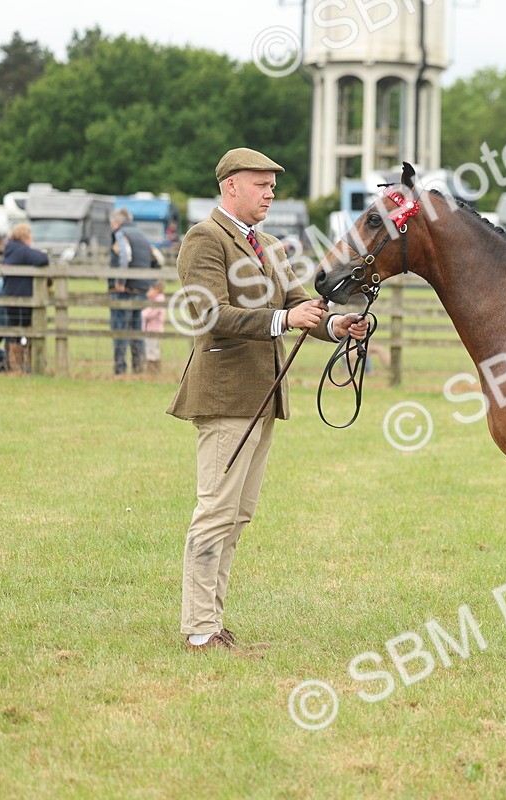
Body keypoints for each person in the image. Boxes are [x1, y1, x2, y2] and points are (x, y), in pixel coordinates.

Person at [168, 147, 369, 656]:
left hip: (263, 394)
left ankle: (211, 623)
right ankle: (198, 629)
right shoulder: (204, 240)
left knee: (238, 514)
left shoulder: (272, 246)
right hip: (225, 394)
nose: (270, 193)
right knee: (215, 511)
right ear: (230, 185)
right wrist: (284, 322)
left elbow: (299, 303)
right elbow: (208, 312)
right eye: (261, 185)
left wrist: (335, 324)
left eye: (272, 186)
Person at [109, 207, 156, 375]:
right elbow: (157, 259)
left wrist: (120, 281)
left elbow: (124, 255)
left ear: (116, 222)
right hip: (141, 289)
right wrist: (152, 283)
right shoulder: (142, 235)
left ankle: (120, 370)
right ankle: (138, 369)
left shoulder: (121, 233)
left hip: (125, 290)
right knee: (137, 330)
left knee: (120, 330)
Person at [0, 223, 50, 371]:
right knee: (27, 331)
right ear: (24, 237)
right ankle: (26, 365)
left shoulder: (10, 250)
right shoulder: (21, 251)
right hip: (21, 299)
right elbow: (43, 259)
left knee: (15, 332)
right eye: (30, 236)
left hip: (11, 298)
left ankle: (17, 365)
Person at [141, 282, 166, 374]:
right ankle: (154, 371)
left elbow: (149, 314)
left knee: (152, 351)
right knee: (153, 350)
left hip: (153, 329)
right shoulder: (155, 300)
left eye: (150, 289)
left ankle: (153, 371)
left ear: (156, 290)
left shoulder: (158, 301)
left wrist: (143, 313)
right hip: (154, 329)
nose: (148, 292)